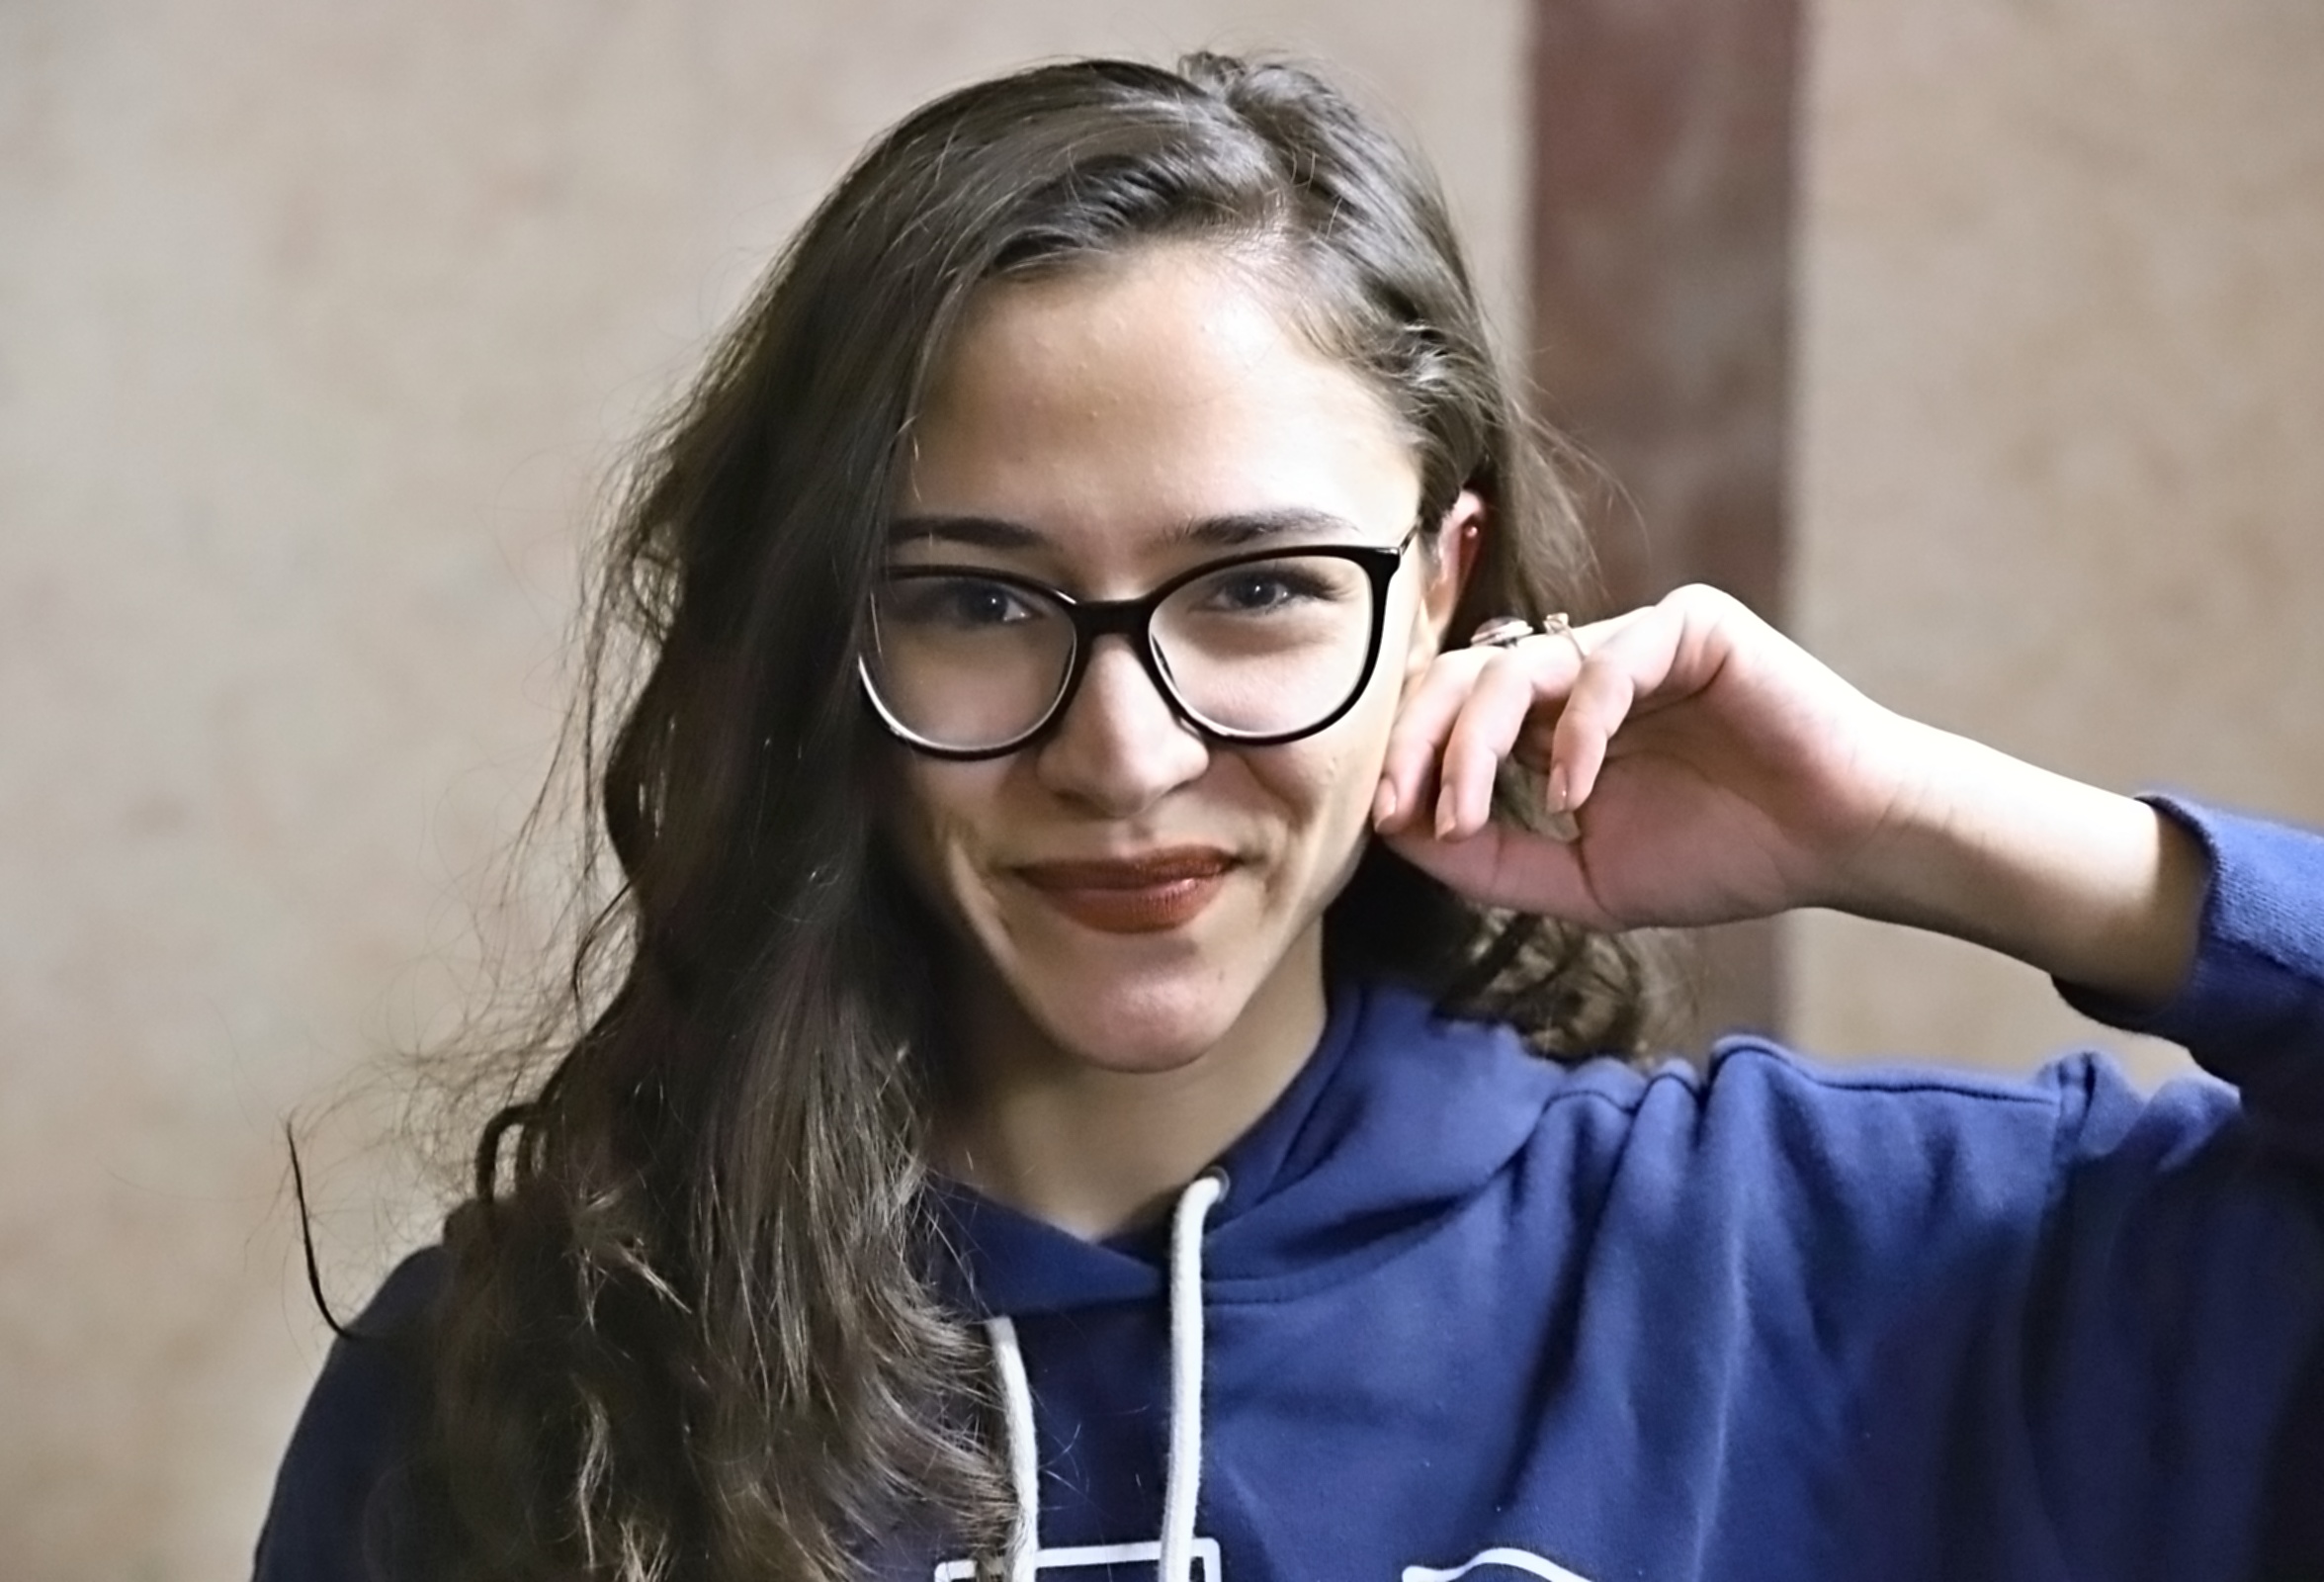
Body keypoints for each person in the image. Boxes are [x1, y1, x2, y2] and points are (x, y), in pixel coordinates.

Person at [253, 51, 2324, 1582]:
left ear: (1439, 588)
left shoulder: (1857, 1267)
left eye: (1254, 590)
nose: (1125, 752)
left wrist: (1918, 823)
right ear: (827, 636)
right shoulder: (523, 1392)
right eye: (974, 600)